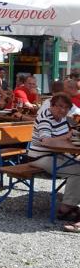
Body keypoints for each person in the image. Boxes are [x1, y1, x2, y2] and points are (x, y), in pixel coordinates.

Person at [27, 94, 80, 225]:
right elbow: (45, 141)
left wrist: (71, 134)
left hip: (56, 154)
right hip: (39, 157)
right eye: (60, 106)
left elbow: (64, 136)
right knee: (78, 170)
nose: (63, 110)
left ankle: (72, 202)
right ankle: (65, 208)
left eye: (66, 108)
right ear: (51, 105)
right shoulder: (45, 118)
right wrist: (67, 136)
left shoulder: (62, 118)